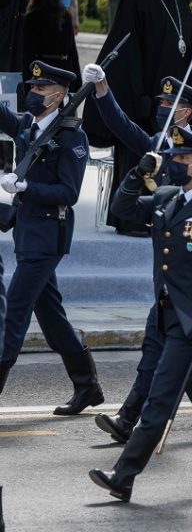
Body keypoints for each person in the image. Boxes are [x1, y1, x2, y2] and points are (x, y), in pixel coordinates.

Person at [89, 126, 192, 501]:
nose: (175, 163)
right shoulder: (165, 197)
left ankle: (124, 476)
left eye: (182, 158)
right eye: (174, 157)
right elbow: (122, 209)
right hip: (165, 314)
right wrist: (135, 172)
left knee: (161, 398)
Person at [0, 62, 100, 415]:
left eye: (41, 90)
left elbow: (68, 192)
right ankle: (87, 386)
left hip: (47, 237)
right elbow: (4, 117)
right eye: (32, 87)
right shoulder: (30, 126)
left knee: (13, 312)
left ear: (59, 96)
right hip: (29, 234)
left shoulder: (72, 137)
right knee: (51, 316)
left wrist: (28, 187)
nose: (33, 93)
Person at [81, 0, 192, 236]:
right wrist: (142, 103)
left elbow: (189, 43)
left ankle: (169, 215)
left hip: (175, 106)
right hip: (143, 105)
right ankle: (131, 219)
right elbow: (127, 58)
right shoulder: (137, 2)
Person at [0, 0, 37, 173]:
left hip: (36, 60)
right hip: (12, 59)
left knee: (30, 109)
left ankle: (22, 158)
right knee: (11, 106)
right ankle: (7, 157)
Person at [22, 0, 81, 92]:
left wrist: (78, 80)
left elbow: (72, 52)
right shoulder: (33, 18)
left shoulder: (66, 17)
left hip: (66, 72)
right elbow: (28, 54)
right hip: (45, 73)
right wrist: (28, 82)